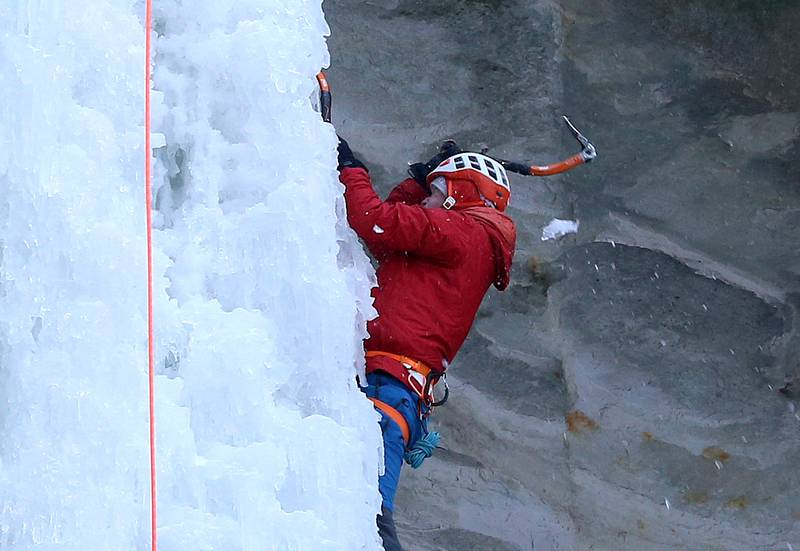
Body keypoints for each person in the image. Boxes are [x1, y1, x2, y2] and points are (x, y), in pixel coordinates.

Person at [337, 138, 516, 550]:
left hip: (390, 386)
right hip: (394, 386)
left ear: (460, 195)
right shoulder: (465, 238)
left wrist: (351, 167)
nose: (427, 203)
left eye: (437, 193)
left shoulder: (464, 233)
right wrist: (420, 182)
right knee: (365, 511)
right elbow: (387, 239)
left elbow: (372, 219)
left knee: (369, 517)